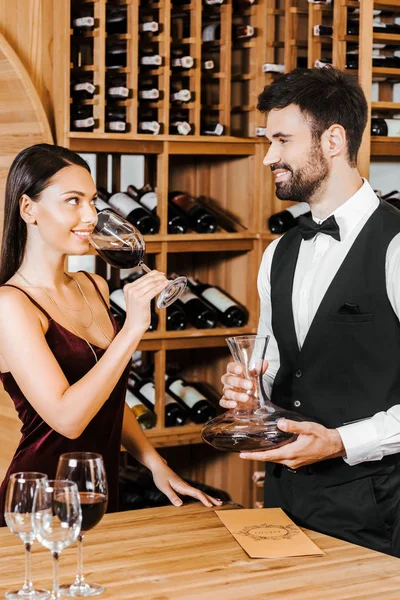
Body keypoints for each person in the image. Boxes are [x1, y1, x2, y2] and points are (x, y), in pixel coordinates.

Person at [221, 66, 400, 556]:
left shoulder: (396, 246)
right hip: (283, 499)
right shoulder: (278, 253)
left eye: (282, 141)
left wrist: (341, 441)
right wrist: (249, 391)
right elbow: (283, 367)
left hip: (377, 507)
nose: (268, 158)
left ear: (334, 140)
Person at [0, 143, 222, 525]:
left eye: (93, 201)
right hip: (39, 498)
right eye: (73, 201)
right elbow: (68, 419)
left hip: (98, 489)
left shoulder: (94, 285)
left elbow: (108, 399)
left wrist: (155, 463)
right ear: (28, 209)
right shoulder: (10, 305)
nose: (91, 216)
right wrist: (133, 329)